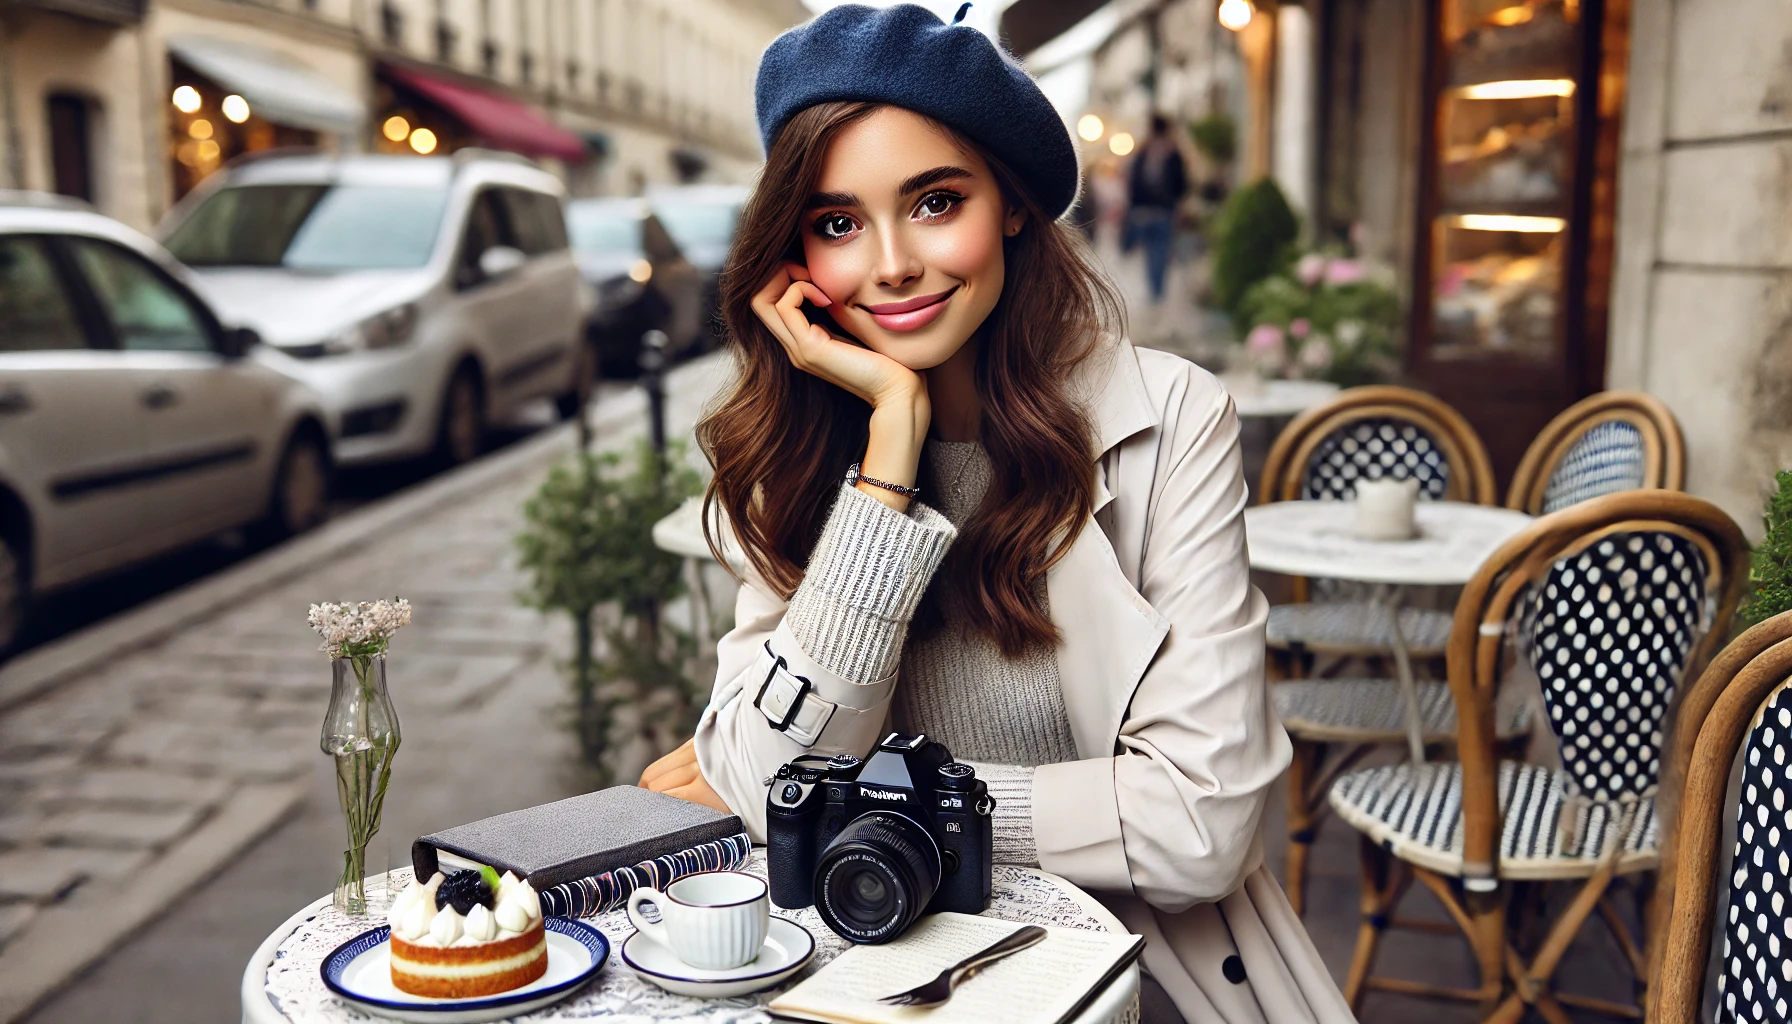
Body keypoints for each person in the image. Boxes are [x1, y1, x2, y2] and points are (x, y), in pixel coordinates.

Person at [639, 6, 1353, 1022]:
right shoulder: (798, 455)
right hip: (862, 981)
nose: (890, 264)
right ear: (794, 255)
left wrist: (880, 800)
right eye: (837, 222)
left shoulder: (1167, 417)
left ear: (1011, 205)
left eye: (934, 201)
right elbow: (767, 775)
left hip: (1134, 975)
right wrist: (888, 456)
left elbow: (1199, 823)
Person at [1127, 114, 1188, 305]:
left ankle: (1155, 293)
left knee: (1152, 253)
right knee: (1158, 253)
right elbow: (1181, 183)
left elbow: (1133, 181)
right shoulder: (1172, 152)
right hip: (1161, 210)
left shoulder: (1144, 151)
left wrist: (1134, 206)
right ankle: (1156, 293)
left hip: (1149, 210)